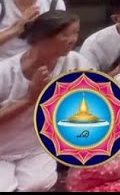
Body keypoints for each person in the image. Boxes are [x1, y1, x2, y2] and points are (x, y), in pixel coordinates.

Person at [0, 11, 89, 192]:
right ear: (41, 37)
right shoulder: (5, 72)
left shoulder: (75, 62)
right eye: (66, 34)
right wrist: (29, 100)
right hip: (2, 150)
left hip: (37, 147)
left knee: (36, 186)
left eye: (76, 33)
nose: (73, 39)